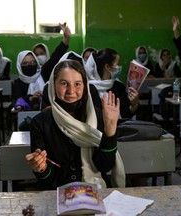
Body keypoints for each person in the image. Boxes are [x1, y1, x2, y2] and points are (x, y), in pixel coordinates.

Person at [25, 60, 125, 190]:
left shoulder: (97, 117)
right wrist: (41, 168)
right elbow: (47, 178)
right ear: (53, 86)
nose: (71, 90)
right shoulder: (40, 123)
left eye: (77, 84)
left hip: (95, 190)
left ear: (85, 87)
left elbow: (104, 166)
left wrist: (110, 130)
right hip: (56, 193)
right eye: (64, 83)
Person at [12, 23, 71, 111]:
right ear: (20, 66)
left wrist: (66, 39)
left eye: (32, 62)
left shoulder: (44, 72)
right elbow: (17, 100)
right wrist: (31, 98)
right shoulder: (18, 83)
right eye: (25, 63)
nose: (30, 65)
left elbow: (55, 56)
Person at [85, 48, 139, 119]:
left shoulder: (119, 86)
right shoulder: (88, 88)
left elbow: (126, 115)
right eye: (117, 64)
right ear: (107, 67)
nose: (119, 67)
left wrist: (134, 104)